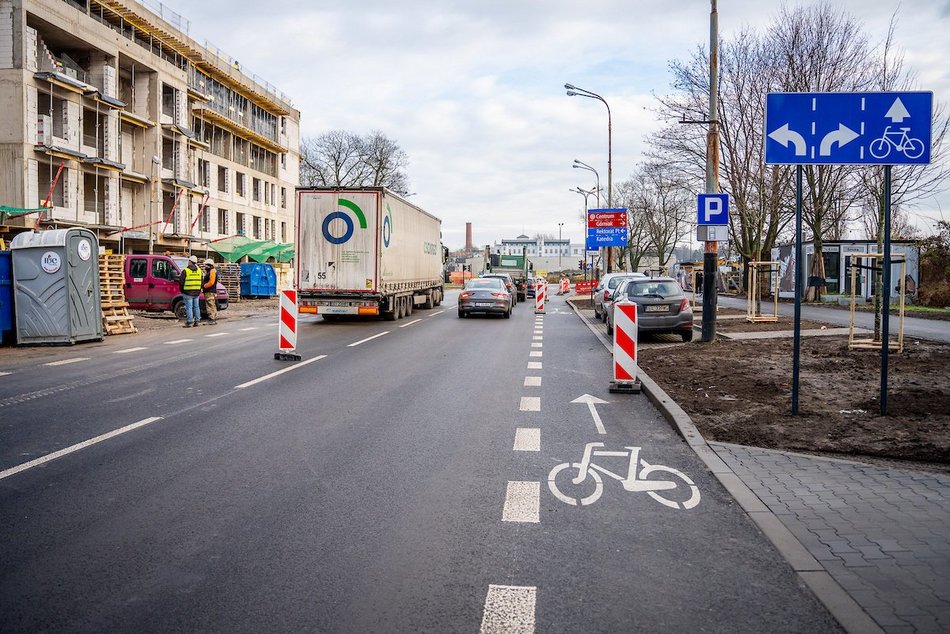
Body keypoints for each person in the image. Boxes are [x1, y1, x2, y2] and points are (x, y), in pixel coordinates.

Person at [179, 254, 203, 327]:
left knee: (189, 307)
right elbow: (201, 281)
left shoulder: (185, 271)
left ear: (190, 261)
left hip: (187, 292)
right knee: (196, 307)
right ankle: (197, 321)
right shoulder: (199, 271)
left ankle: (189, 322)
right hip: (196, 292)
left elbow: (181, 282)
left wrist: (182, 290)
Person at [201, 258, 218, 325]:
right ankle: (213, 318)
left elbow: (211, 282)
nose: (205, 266)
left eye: (206, 265)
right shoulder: (210, 271)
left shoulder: (212, 271)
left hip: (209, 291)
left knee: (210, 305)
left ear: (209, 265)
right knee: (211, 304)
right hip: (210, 291)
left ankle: (212, 318)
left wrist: (204, 286)